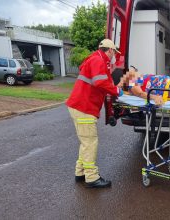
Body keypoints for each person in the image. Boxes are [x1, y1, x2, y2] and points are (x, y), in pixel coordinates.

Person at [66, 39, 124, 188]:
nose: (114, 57)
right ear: (110, 50)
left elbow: (102, 81)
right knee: (90, 142)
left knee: (85, 142)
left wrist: (111, 76)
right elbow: (100, 83)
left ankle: (80, 172)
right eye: (114, 53)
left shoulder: (96, 59)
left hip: (80, 106)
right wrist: (118, 91)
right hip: (84, 107)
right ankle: (91, 178)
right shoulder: (98, 60)